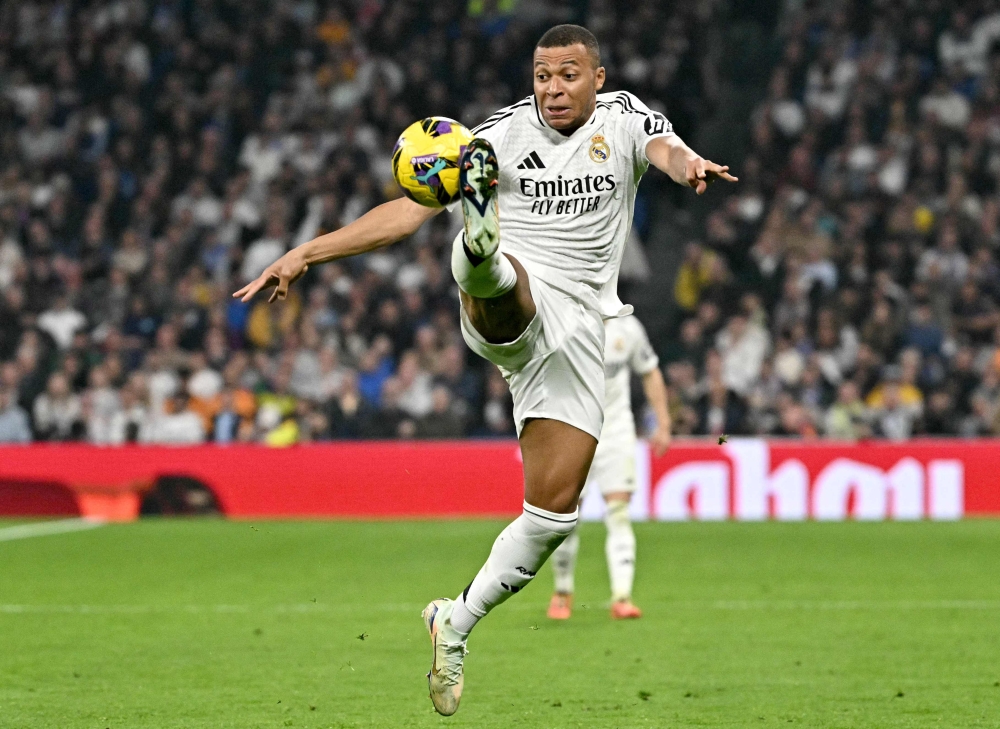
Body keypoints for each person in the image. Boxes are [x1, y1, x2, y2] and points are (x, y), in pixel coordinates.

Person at [235, 24, 735, 716]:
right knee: (499, 279)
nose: (552, 88)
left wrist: (690, 165)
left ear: (597, 77)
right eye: (542, 75)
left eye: (567, 75)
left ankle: (454, 620)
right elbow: (405, 214)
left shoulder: (623, 118)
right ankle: (479, 246)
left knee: (552, 516)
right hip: (521, 291)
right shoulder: (494, 137)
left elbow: (666, 150)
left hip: (582, 330)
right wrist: (305, 253)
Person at [547, 314, 671, 621]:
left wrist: (664, 423)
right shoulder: (563, 322)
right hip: (573, 432)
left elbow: (650, 370)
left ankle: (622, 597)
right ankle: (562, 590)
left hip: (616, 433)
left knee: (618, 513)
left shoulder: (628, 328)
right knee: (565, 517)